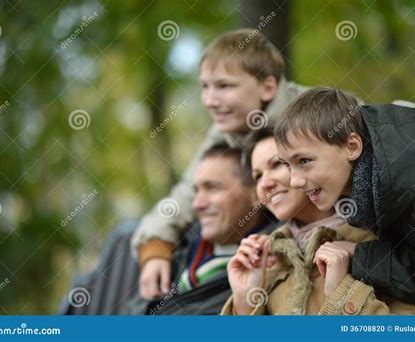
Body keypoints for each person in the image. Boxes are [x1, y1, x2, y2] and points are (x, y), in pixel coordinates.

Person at [131, 29, 308, 300]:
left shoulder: (313, 115)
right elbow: (188, 192)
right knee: (124, 236)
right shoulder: (227, 131)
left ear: (268, 87)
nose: (210, 101)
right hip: (269, 238)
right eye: (205, 86)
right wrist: (155, 246)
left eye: (225, 86)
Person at [222, 127, 415, 315]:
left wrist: (342, 294)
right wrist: (245, 301)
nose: (265, 184)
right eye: (257, 175)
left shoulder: (378, 239)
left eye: (278, 165)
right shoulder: (267, 260)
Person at [273, 86, 415, 306]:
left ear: (352, 146)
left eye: (304, 161)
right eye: (287, 165)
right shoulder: (373, 173)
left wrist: (361, 256)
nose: (294, 181)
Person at [129, 143, 277, 315]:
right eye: (196, 191)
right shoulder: (174, 248)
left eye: (212, 188)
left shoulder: (270, 264)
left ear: (255, 194)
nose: (197, 204)